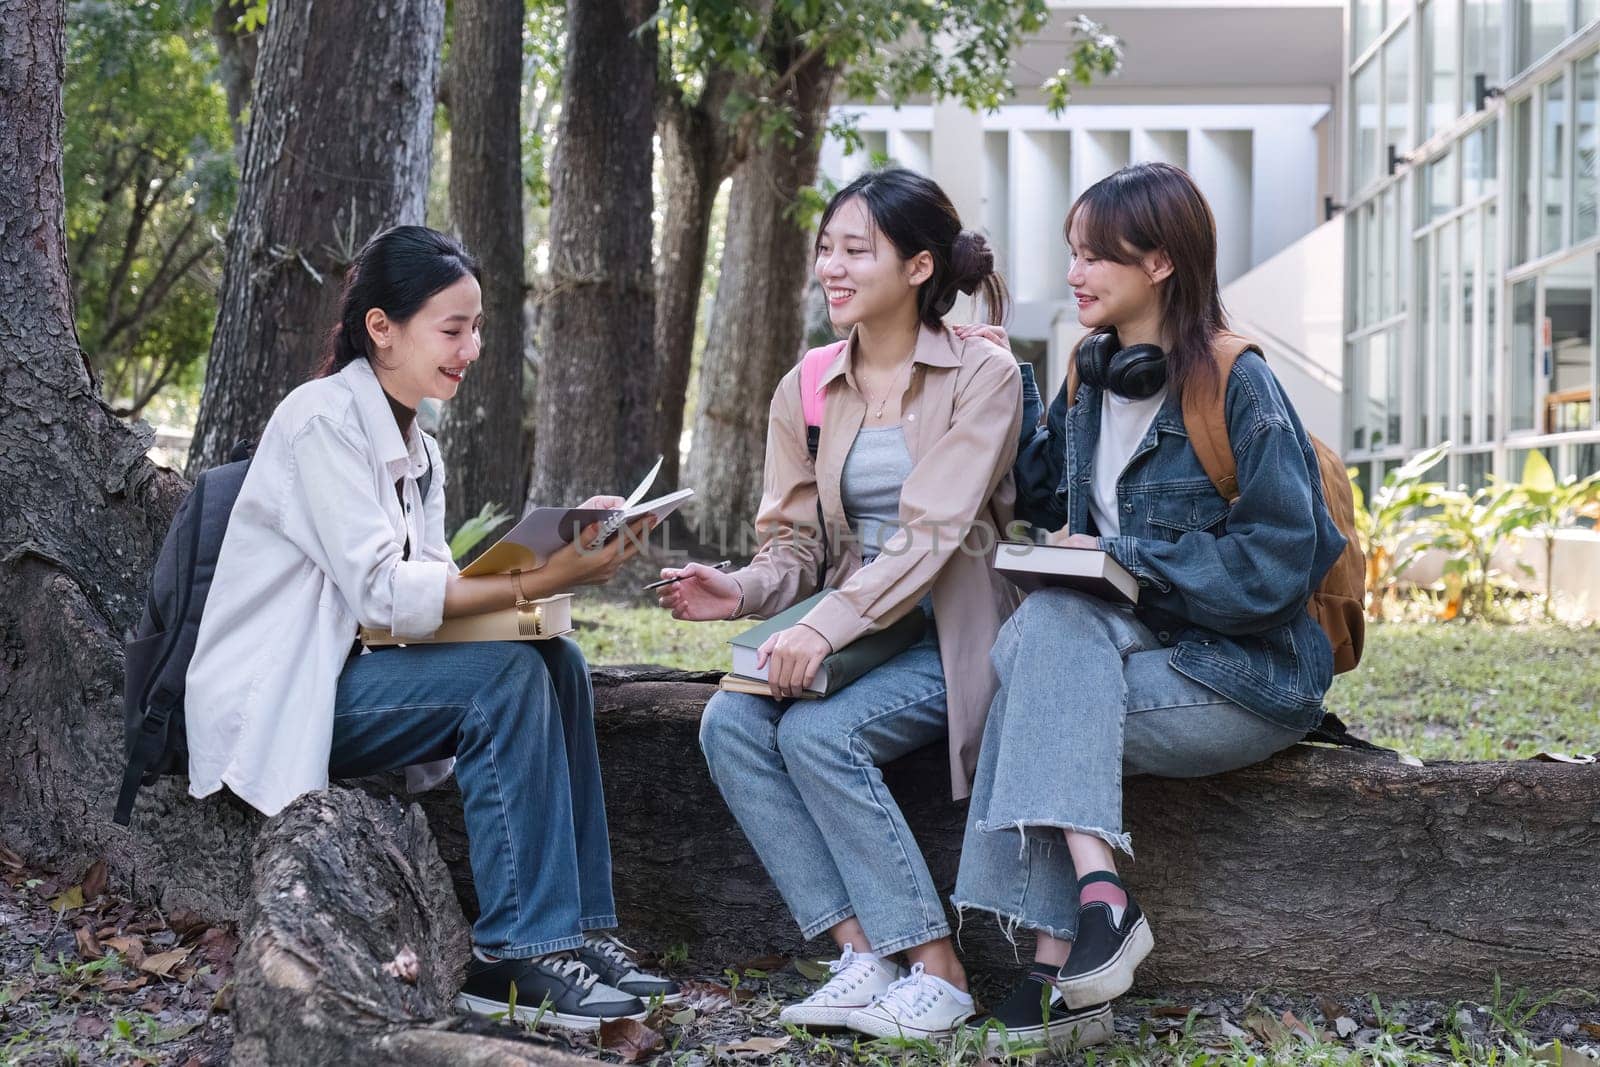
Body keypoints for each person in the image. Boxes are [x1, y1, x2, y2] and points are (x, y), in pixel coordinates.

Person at [184, 225, 678, 1030]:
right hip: (288, 692)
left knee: (557, 660)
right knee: (504, 679)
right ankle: (513, 953)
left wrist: (555, 547)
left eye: (477, 327)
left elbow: (427, 595)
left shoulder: (419, 442)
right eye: (453, 328)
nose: (473, 346)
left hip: (358, 671)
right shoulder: (321, 421)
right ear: (382, 326)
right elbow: (384, 593)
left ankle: (577, 929)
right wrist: (544, 575)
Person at [947, 161, 1347, 1051]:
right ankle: (1094, 916)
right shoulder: (1094, 379)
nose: (1075, 274)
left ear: (1161, 262)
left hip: (1240, 676)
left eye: (1095, 257)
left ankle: (1060, 960)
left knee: (1029, 695)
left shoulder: (1237, 386)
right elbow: (1046, 513)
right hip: (1121, 653)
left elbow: (1281, 561)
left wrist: (1127, 554)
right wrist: (1010, 381)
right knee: (1046, 629)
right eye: (1072, 255)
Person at [656, 166, 1022, 1040]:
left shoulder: (984, 373)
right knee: (730, 723)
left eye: (857, 249)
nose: (834, 266)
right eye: (827, 249)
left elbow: (935, 534)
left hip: (957, 632)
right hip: (861, 631)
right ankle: (863, 954)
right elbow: (795, 545)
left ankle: (939, 968)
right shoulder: (809, 386)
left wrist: (820, 627)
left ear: (921, 267)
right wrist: (739, 589)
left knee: (821, 733)